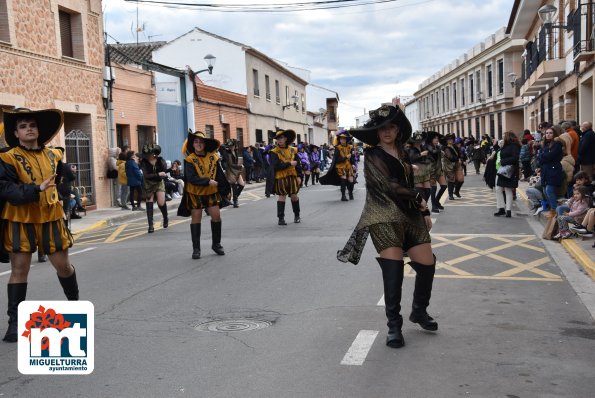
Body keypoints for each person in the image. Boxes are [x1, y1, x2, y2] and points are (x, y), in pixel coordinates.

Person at [337, 105, 437, 349]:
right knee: (393, 269)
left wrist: (423, 211)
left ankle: (419, 311)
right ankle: (394, 326)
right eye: (382, 128)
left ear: (398, 129)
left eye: (391, 127)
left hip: (410, 215)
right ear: (376, 132)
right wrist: (418, 198)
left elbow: (409, 181)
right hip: (383, 215)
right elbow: (388, 185)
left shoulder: (403, 154)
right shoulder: (372, 156)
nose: (387, 132)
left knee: (427, 264)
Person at [0, 108, 78, 343]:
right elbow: (5, 189)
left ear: (39, 130)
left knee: (63, 267)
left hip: (51, 217)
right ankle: (14, 322)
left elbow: (65, 179)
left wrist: (64, 189)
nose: (29, 128)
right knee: (20, 269)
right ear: (16, 133)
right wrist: (37, 189)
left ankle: (74, 308)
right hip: (19, 219)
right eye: (23, 126)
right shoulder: (7, 157)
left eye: (32, 125)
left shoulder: (54, 154)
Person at [177, 130, 230, 259]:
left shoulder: (213, 157)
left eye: (201, 142)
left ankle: (216, 244)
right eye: (196, 141)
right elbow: (190, 178)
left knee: (216, 216)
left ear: (205, 144)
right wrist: (207, 181)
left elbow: (219, 175)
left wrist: (226, 190)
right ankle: (196, 249)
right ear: (193, 144)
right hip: (195, 192)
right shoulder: (190, 159)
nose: (199, 144)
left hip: (211, 191)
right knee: (196, 217)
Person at [265, 129, 302, 225]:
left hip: (292, 176)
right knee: (282, 197)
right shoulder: (274, 152)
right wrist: (289, 163)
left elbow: (298, 164)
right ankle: (281, 219)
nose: (279, 140)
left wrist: (299, 176)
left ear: (285, 138)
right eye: (277, 138)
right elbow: (276, 166)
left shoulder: (293, 150)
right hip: (280, 177)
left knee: (294, 196)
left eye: (281, 138)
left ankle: (297, 216)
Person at [140, 144, 169, 233]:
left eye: (149, 154)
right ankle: (150, 226)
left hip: (158, 183)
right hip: (148, 184)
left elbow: (164, 170)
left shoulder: (160, 160)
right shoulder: (144, 162)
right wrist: (158, 174)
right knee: (149, 202)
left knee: (161, 202)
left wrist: (161, 174)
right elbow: (146, 175)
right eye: (146, 154)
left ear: (154, 153)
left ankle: (165, 217)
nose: (147, 156)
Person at [538, 125, 565, 218]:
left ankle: (554, 209)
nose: (548, 135)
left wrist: (544, 156)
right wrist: (544, 156)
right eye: (547, 133)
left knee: (549, 190)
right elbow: (540, 157)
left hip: (553, 170)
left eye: (550, 133)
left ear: (554, 134)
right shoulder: (545, 144)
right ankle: (552, 208)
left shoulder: (557, 144)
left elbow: (550, 156)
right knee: (545, 190)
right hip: (545, 170)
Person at [493, 131, 521, 218]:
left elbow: (515, 158)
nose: (502, 138)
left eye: (504, 136)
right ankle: (501, 208)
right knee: (498, 189)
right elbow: (498, 152)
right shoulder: (505, 146)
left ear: (508, 137)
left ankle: (508, 210)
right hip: (502, 170)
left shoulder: (514, 146)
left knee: (508, 190)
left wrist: (503, 161)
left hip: (510, 171)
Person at [407, 131, 432, 205]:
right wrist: (420, 154)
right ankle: (422, 210)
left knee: (428, 191)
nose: (419, 142)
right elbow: (411, 159)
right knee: (421, 194)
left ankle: (423, 207)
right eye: (417, 141)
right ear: (414, 141)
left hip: (425, 171)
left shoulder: (423, 147)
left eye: (420, 140)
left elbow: (430, 157)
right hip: (416, 173)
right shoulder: (411, 149)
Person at [220, 139, 245, 208]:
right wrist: (225, 144)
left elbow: (240, 159)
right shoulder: (226, 152)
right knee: (234, 185)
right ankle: (235, 201)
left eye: (232, 146)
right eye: (229, 146)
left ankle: (235, 197)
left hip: (237, 170)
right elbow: (220, 147)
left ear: (235, 145)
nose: (231, 147)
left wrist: (240, 164)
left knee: (242, 185)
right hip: (230, 171)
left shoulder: (237, 151)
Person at [425, 131, 446, 213]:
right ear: (430, 139)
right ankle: (433, 206)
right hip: (431, 170)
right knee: (433, 188)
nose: (437, 139)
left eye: (437, 138)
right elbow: (433, 152)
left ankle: (436, 201)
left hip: (438, 169)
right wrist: (441, 148)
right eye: (435, 138)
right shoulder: (428, 146)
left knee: (444, 186)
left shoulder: (436, 147)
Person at [442, 133, 464, 200]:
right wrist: (458, 159)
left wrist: (461, 158)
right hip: (449, 165)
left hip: (457, 164)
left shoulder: (455, 146)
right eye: (449, 139)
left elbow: (460, 154)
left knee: (461, 179)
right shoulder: (446, 148)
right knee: (451, 179)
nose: (450, 140)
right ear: (446, 140)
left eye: (451, 139)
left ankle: (456, 191)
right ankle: (450, 195)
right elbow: (450, 157)